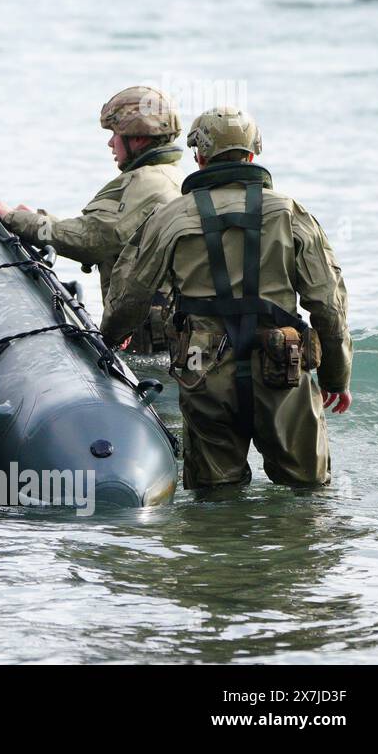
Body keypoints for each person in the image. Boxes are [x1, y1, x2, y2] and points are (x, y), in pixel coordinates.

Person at [101, 107, 352, 490]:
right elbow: (328, 305)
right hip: (281, 368)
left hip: (204, 370)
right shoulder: (289, 212)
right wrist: (336, 375)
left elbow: (130, 290)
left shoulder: (171, 216)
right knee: (307, 493)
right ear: (253, 155)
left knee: (215, 496)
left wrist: (112, 336)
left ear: (199, 157)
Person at [0, 85, 185, 352]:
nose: (111, 143)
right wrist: (38, 219)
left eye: (116, 134)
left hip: (150, 336)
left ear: (138, 138)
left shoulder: (147, 182)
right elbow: (106, 229)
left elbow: (93, 239)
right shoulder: (171, 176)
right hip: (168, 326)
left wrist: (14, 219)